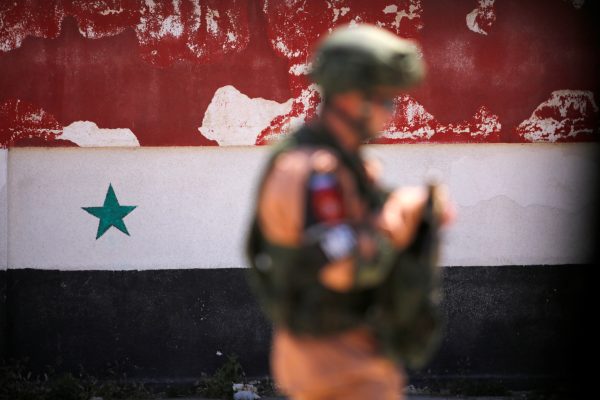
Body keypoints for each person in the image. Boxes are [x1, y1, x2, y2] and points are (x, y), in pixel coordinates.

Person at [246, 24, 454, 400]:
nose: (391, 114)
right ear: (351, 99)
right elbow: (340, 266)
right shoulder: (316, 172)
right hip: (338, 368)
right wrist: (398, 220)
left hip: (347, 358)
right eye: (386, 101)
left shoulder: (337, 163)